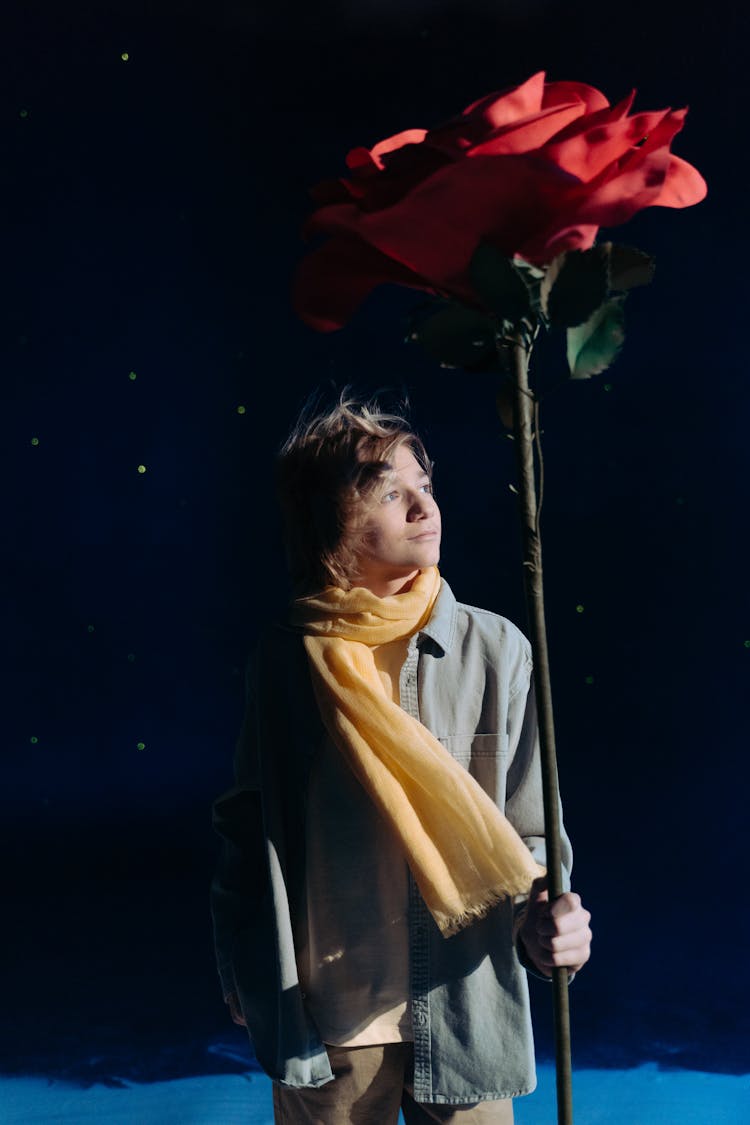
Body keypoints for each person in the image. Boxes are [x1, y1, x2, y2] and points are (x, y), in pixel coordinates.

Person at [210, 394, 592, 1124]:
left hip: (465, 1008)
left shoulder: (497, 650)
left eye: (425, 486)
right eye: (390, 491)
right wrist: (244, 965)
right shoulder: (289, 659)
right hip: (329, 1020)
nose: (423, 506)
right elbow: (248, 824)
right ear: (330, 522)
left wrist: (550, 917)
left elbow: (530, 830)